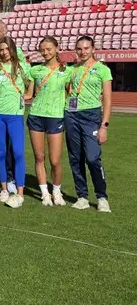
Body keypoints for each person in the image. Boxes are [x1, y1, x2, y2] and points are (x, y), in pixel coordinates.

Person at [65, 36, 113, 212]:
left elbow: (107, 99)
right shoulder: (72, 70)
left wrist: (104, 126)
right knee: (75, 158)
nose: (83, 52)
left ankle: (101, 197)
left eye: (86, 48)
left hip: (92, 116)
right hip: (71, 115)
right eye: (79, 48)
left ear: (93, 48)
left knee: (93, 158)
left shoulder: (102, 70)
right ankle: (82, 196)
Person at [0, 36, 31, 208]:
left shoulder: (23, 67)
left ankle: (20, 192)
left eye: (6, 49)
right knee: (1, 152)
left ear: (12, 49)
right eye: (0, 49)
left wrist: (26, 96)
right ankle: (3, 189)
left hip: (15, 115)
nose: (3, 52)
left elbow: (31, 85)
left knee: (17, 153)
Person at [26, 36, 68, 206]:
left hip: (55, 117)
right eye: (42, 50)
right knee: (39, 156)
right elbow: (29, 94)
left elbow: (71, 93)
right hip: (36, 115)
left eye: (49, 49)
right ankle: (44, 193)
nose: (46, 52)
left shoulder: (67, 71)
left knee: (55, 160)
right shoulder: (35, 71)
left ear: (57, 48)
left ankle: (56, 191)